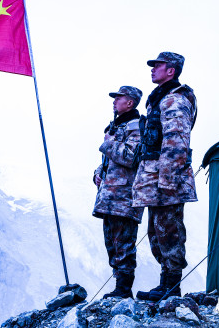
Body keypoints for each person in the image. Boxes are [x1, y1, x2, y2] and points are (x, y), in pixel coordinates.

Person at [133, 52, 197, 302]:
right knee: (157, 231)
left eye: (157, 65)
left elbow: (176, 141)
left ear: (171, 70)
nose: (152, 69)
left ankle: (171, 286)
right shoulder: (160, 99)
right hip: (156, 177)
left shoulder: (174, 99)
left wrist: (168, 181)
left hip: (167, 178)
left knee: (169, 230)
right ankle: (165, 284)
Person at [93, 86, 144, 299]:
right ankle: (118, 287)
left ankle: (124, 290)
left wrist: (109, 143)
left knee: (123, 243)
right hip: (110, 196)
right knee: (111, 243)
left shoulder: (136, 126)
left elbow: (130, 157)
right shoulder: (116, 126)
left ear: (130, 103)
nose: (114, 101)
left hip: (125, 196)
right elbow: (111, 160)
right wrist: (98, 171)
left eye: (119, 98)